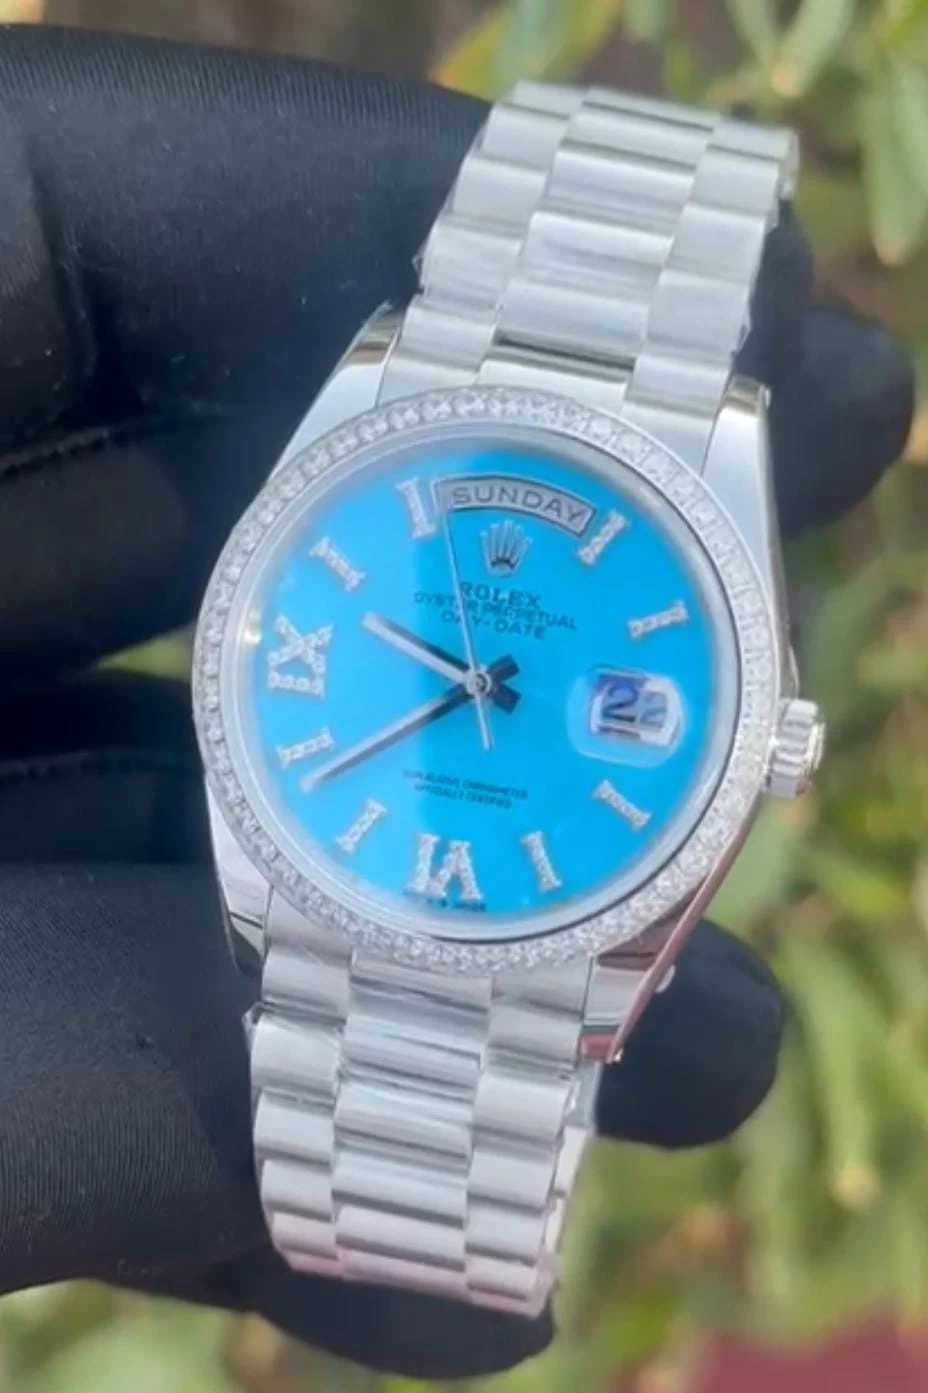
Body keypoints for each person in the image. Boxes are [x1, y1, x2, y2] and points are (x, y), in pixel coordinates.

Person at [0, 21, 913, 1381]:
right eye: (472, 679)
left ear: (763, 743)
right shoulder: (379, 403)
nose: (483, 687)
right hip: (359, 853)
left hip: (446, 892)